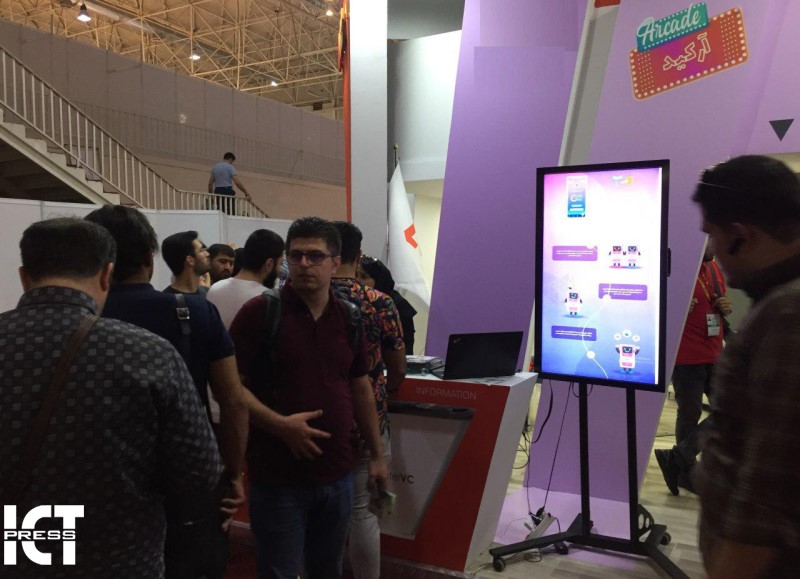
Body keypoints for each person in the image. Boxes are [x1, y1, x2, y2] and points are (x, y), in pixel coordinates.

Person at [0, 218, 221, 578]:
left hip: (21, 547)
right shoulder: (147, 352)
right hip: (120, 553)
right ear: (106, 275)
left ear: (24, 277)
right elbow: (199, 470)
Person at [85, 206, 248, 579]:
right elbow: (233, 400)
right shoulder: (197, 311)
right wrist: (233, 472)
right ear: (148, 256)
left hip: (94, 475)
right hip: (183, 475)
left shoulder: (78, 318)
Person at [229, 216, 388, 579]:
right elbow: (230, 388)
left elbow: (360, 388)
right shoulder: (260, 313)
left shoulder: (349, 317)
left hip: (338, 473)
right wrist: (280, 425)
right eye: (296, 255)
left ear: (335, 262)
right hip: (277, 476)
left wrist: (378, 456)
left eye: (315, 256)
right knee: (280, 571)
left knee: (327, 570)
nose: (304, 264)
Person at [691, 155, 800, 578]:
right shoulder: (778, 297)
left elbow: (770, 480)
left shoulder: (788, 312)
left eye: (713, 235)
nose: (713, 251)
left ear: (740, 235)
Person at [331, 221, 406, 579]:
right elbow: (398, 365)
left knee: (318, 512)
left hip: (316, 416)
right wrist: (387, 392)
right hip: (368, 418)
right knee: (363, 511)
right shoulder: (379, 302)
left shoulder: (300, 297)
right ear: (358, 255)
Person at [655, 243, 731, 495]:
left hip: (714, 353)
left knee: (730, 411)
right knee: (689, 414)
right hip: (686, 357)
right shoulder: (676, 270)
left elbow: (717, 305)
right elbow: (654, 305)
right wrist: (673, 307)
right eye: (708, 239)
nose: (713, 245)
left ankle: (677, 458)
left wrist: (725, 306)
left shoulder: (714, 269)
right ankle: (685, 472)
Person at [208, 229, 285, 329]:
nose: (280, 270)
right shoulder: (267, 300)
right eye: (280, 264)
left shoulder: (214, 288)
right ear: (269, 264)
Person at [358, 255, 417, 354]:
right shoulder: (353, 301)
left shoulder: (397, 305)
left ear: (379, 280)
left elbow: (404, 350)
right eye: (355, 275)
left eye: (364, 277)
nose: (357, 281)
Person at [162, 230, 211, 296]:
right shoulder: (166, 300)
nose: (207, 254)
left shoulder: (208, 294)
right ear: (190, 260)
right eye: (202, 250)